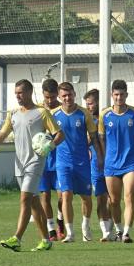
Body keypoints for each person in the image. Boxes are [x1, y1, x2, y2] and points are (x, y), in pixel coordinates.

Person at [0, 79, 64, 252]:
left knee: (24, 199)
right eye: (16, 93)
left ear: (29, 92)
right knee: (33, 203)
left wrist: (50, 145)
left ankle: (17, 238)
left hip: (35, 162)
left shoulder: (42, 113)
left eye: (20, 93)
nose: (18, 96)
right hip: (20, 164)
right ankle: (46, 240)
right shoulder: (13, 114)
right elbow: (2, 134)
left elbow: (60, 134)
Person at [99, 79, 134, 243]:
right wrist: (103, 157)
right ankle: (119, 230)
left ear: (126, 94)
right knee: (113, 201)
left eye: (122, 94)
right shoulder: (104, 115)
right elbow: (101, 138)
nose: (119, 98)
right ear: (112, 95)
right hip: (111, 164)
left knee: (129, 196)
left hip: (131, 163)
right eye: (116, 95)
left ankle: (127, 233)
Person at [53, 82, 103, 242]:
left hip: (82, 163)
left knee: (86, 198)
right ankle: (69, 233)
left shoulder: (84, 114)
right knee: (66, 195)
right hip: (63, 163)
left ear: (74, 94)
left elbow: (94, 138)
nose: (67, 98)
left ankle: (85, 225)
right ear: (60, 97)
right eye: (64, 96)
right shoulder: (54, 115)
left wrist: (100, 157)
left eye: (70, 95)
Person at [83, 89, 114, 241]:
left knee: (112, 199)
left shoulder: (108, 118)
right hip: (95, 165)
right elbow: (85, 141)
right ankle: (105, 232)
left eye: (91, 103)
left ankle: (114, 229)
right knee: (101, 198)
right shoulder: (87, 121)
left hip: (112, 163)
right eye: (87, 104)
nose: (89, 107)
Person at [38, 78, 64, 240]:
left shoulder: (63, 110)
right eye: (47, 97)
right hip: (42, 160)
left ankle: (61, 221)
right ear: (43, 94)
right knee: (45, 196)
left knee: (62, 196)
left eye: (53, 97)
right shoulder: (37, 110)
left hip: (60, 159)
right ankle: (51, 229)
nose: (50, 100)